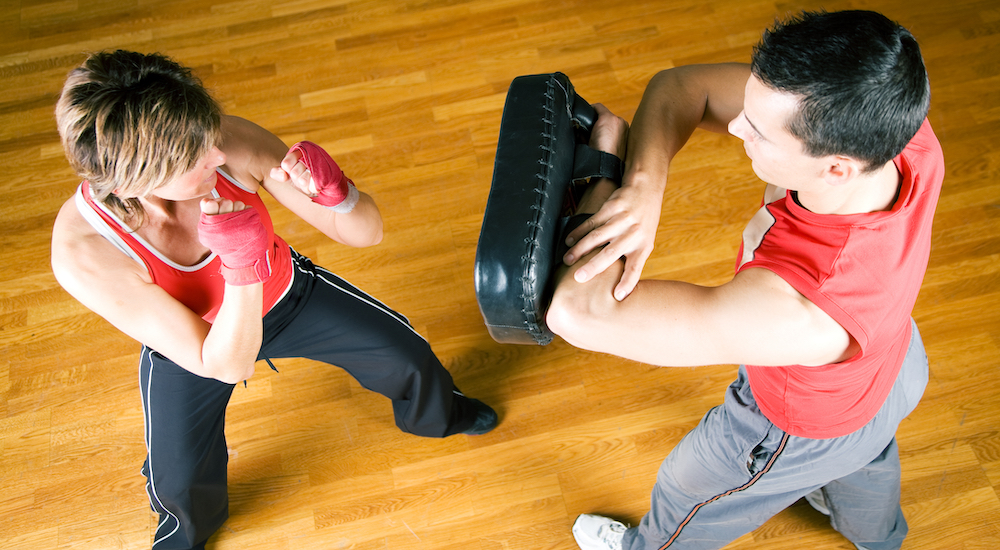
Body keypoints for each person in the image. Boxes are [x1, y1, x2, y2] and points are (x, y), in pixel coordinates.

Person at [50, 50, 497, 550]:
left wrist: (338, 194)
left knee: (406, 352)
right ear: (132, 179)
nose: (216, 156)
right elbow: (225, 363)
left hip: (287, 294)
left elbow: (366, 233)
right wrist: (241, 265)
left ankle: (441, 416)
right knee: (175, 473)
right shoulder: (85, 250)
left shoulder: (225, 139)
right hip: (200, 345)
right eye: (192, 157)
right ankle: (184, 533)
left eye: (207, 136)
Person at [547, 11, 940, 550]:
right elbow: (684, 87)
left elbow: (578, 311)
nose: (735, 125)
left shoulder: (795, 307)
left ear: (835, 168)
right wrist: (645, 187)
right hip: (895, 368)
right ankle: (880, 539)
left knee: (687, 496)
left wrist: (608, 160)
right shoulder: (898, 129)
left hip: (789, 430)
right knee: (865, 452)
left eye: (757, 129)